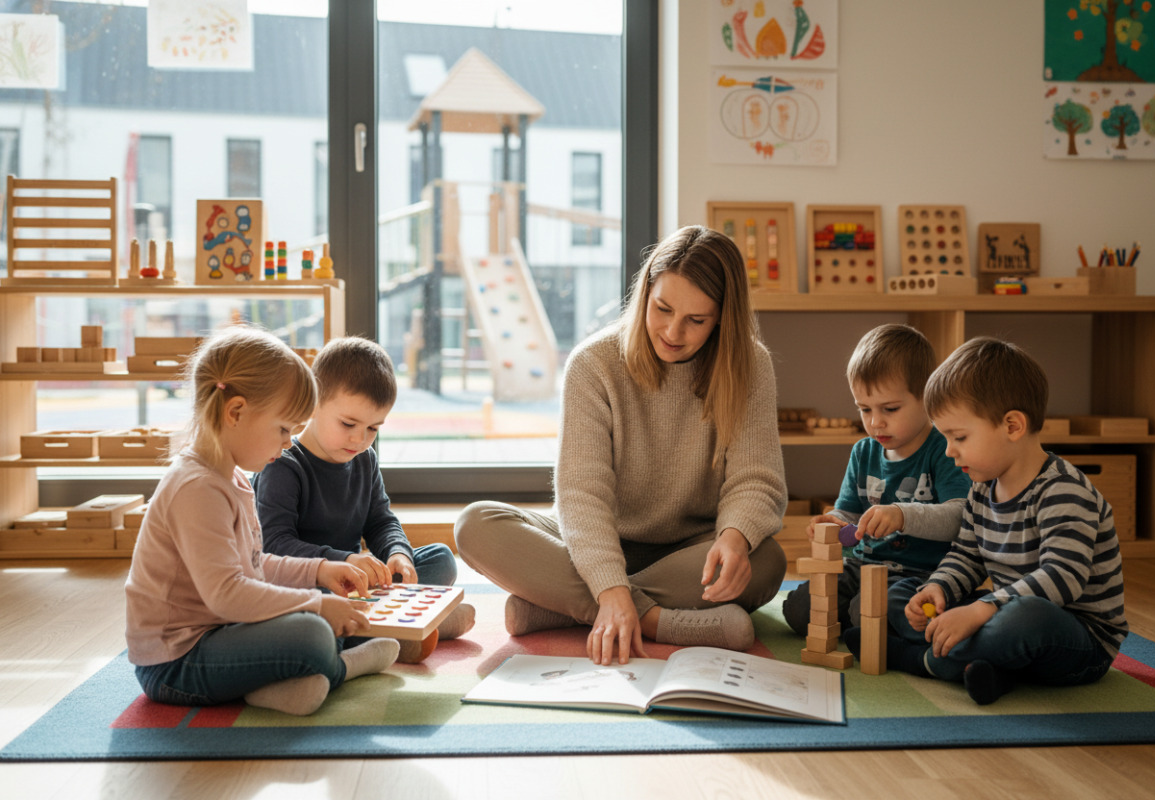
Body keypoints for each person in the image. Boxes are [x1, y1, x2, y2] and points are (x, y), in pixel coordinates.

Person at [455, 225, 788, 666]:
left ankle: (557, 606)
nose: (672, 331)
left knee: (766, 560)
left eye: (696, 320)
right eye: (662, 308)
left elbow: (756, 476)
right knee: (475, 524)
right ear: (646, 289)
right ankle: (651, 619)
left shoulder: (751, 365)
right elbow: (582, 494)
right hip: (594, 542)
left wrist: (734, 538)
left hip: (688, 550)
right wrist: (609, 587)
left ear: (723, 318)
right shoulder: (594, 364)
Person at [125, 326, 399, 717]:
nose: (289, 443)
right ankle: (342, 668)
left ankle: (280, 686)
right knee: (312, 631)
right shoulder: (196, 487)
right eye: (284, 429)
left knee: (316, 617)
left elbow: (255, 565)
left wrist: (321, 571)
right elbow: (228, 593)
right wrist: (317, 606)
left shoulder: (230, 477)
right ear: (235, 412)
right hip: (175, 664)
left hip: (222, 632)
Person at [887, 337, 1128, 705]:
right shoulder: (982, 488)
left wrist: (981, 610)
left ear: (1013, 426)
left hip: (1075, 639)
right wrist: (939, 589)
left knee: (1025, 619)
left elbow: (1063, 579)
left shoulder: (1064, 490)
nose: (949, 450)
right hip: (1004, 611)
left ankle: (920, 659)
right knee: (902, 592)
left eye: (959, 437)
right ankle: (987, 667)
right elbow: (967, 557)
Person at [254, 336, 475, 661]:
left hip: (357, 583)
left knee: (440, 558)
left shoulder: (364, 459)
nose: (360, 439)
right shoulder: (283, 465)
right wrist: (341, 561)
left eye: (373, 427)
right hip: (308, 584)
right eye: (348, 424)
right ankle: (412, 626)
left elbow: (380, 521)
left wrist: (399, 554)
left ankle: (392, 628)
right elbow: (273, 545)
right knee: (305, 612)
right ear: (313, 405)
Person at [781, 324, 970, 636]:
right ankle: (869, 626)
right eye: (864, 409)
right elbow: (850, 513)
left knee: (867, 611)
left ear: (927, 397)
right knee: (800, 610)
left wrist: (901, 515)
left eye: (890, 409)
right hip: (863, 565)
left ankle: (894, 625)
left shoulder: (943, 448)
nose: (875, 421)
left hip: (920, 574)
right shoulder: (864, 452)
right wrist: (834, 521)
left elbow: (960, 517)